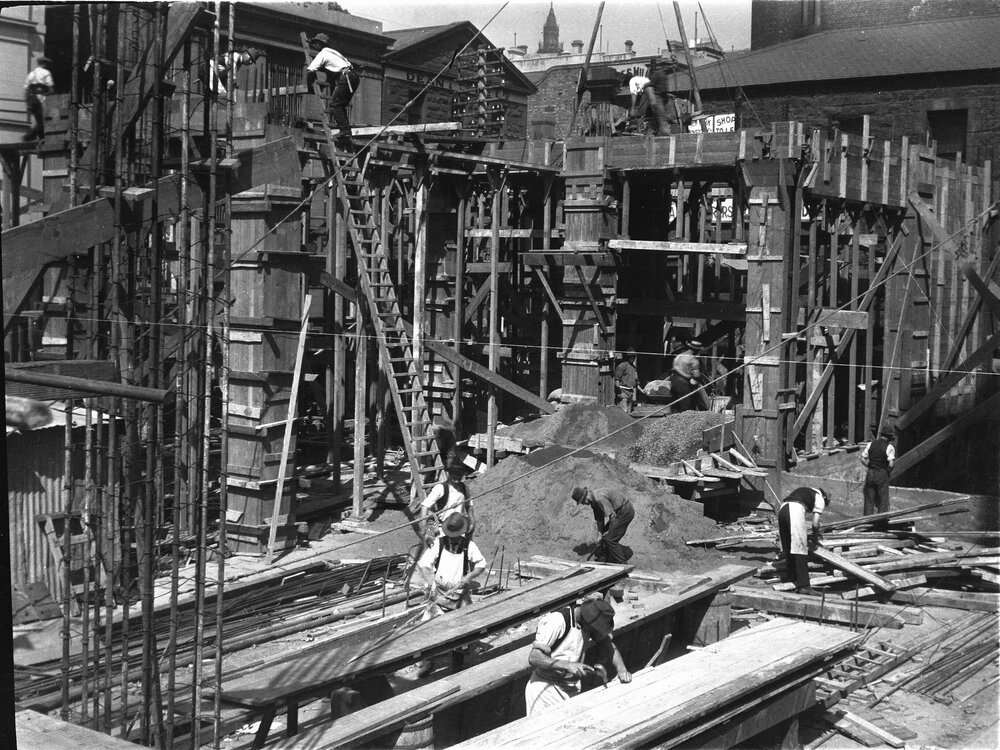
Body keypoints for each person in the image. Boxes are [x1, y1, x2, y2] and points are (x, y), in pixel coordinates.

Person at [525, 598, 632, 716]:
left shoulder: (588, 623)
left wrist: (622, 670)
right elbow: (534, 657)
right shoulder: (557, 621)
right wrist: (567, 665)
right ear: (588, 621)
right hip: (545, 689)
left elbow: (607, 644)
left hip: (570, 687)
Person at [414, 513, 486, 677]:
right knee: (428, 631)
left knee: (460, 634)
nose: (453, 540)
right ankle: (427, 662)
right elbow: (424, 565)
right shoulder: (438, 544)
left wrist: (468, 577)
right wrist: (431, 583)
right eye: (450, 536)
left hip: (459, 596)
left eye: (456, 537)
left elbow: (481, 564)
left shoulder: (469, 546)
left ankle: (457, 667)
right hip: (438, 594)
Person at [305, 32, 360, 146]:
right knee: (340, 105)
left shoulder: (323, 54)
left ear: (321, 45)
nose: (314, 46)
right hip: (353, 76)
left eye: (315, 44)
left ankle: (345, 131)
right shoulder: (336, 54)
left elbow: (310, 70)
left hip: (347, 77)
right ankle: (345, 131)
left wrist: (309, 86)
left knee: (335, 106)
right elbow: (333, 75)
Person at [777, 486, 831, 595]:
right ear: (825, 497)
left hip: (782, 509)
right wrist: (815, 539)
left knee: (788, 546)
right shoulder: (820, 497)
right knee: (800, 547)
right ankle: (804, 586)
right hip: (794, 510)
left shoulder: (808, 490)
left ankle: (791, 578)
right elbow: (815, 523)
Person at [571, 487, 634, 564]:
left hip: (625, 511)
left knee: (610, 539)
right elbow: (599, 519)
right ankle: (603, 559)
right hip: (618, 513)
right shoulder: (594, 502)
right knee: (604, 536)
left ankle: (622, 563)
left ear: (585, 497)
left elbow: (612, 516)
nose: (583, 504)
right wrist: (600, 534)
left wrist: (610, 530)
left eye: (582, 502)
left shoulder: (599, 498)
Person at [419, 465, 474, 544]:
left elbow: (469, 506)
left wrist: (472, 522)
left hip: (459, 527)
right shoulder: (441, 488)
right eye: (454, 478)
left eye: (459, 478)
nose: (456, 481)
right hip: (443, 527)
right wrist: (423, 526)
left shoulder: (464, 488)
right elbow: (425, 506)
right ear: (448, 474)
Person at [861, 425, 896, 519]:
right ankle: (881, 522)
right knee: (883, 500)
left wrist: (870, 465)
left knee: (869, 499)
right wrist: (887, 472)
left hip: (871, 472)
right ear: (890, 437)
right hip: (882, 473)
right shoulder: (890, 447)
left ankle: (866, 522)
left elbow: (862, 459)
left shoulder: (871, 444)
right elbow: (891, 464)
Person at [670, 338, 710, 413]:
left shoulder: (679, 356)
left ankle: (674, 421)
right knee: (687, 406)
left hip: (674, 381)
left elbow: (674, 368)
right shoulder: (693, 360)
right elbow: (696, 375)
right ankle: (685, 422)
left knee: (675, 405)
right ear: (697, 350)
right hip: (684, 383)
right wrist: (701, 382)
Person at [23, 56, 54, 142]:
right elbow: (51, 88)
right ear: (44, 64)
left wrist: (28, 104)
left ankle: (38, 138)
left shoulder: (31, 74)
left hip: (31, 98)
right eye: (46, 64)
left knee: (37, 120)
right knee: (42, 120)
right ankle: (30, 137)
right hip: (40, 98)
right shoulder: (46, 72)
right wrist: (49, 96)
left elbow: (26, 90)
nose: (47, 65)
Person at [613, 347, 639, 414]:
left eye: (633, 357)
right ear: (627, 357)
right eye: (630, 356)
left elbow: (636, 383)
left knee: (629, 414)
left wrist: (642, 390)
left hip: (630, 393)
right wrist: (619, 392)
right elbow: (617, 380)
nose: (632, 358)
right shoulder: (622, 366)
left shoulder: (634, 368)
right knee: (623, 413)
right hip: (623, 392)